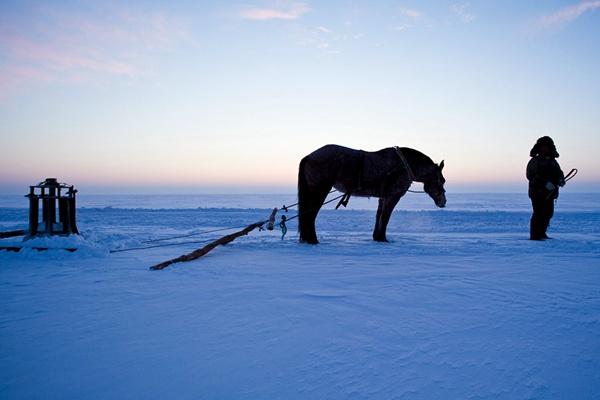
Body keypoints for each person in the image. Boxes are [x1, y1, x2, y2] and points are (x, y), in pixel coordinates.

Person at [526, 136, 565, 240]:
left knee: (548, 213)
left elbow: (559, 173)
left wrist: (561, 180)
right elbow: (531, 175)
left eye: (546, 146)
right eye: (542, 146)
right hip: (537, 193)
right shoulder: (534, 161)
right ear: (539, 147)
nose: (544, 149)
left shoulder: (553, 162)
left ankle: (542, 233)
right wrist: (545, 183)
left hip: (550, 193)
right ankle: (534, 235)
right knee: (538, 213)